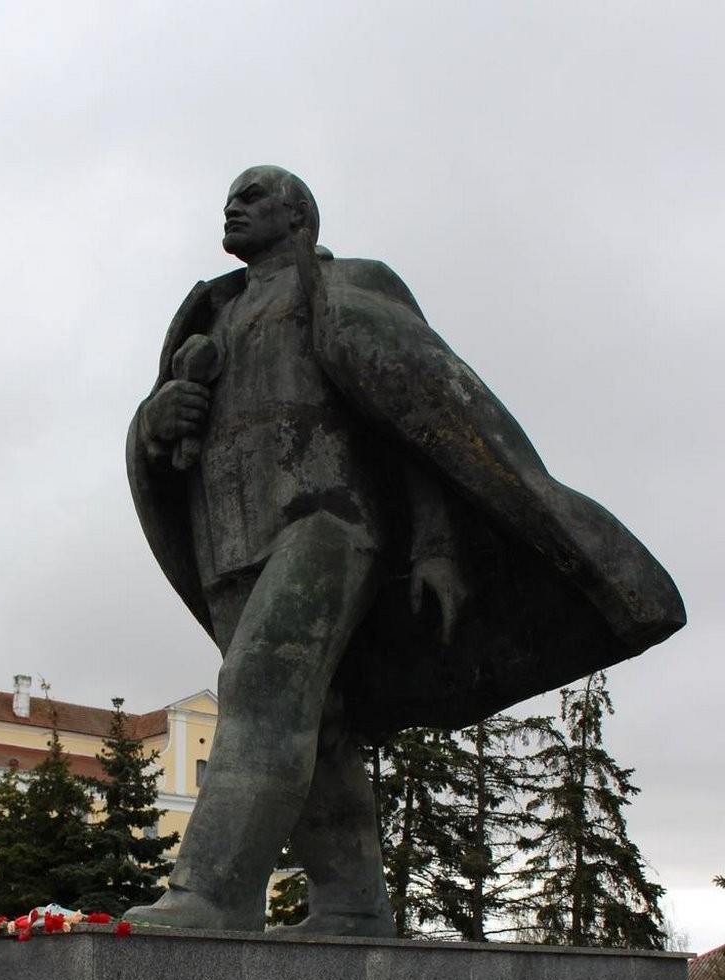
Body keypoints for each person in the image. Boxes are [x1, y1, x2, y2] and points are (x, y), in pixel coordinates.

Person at [124, 166, 684, 936]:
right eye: (231, 197)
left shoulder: (350, 286)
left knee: (261, 688)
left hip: (328, 517)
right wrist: (158, 420)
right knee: (317, 720)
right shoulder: (208, 317)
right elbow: (160, 441)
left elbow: (420, 419)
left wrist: (438, 546)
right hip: (230, 536)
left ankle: (213, 892)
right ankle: (353, 905)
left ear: (299, 217)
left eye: (254, 195)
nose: (234, 205)